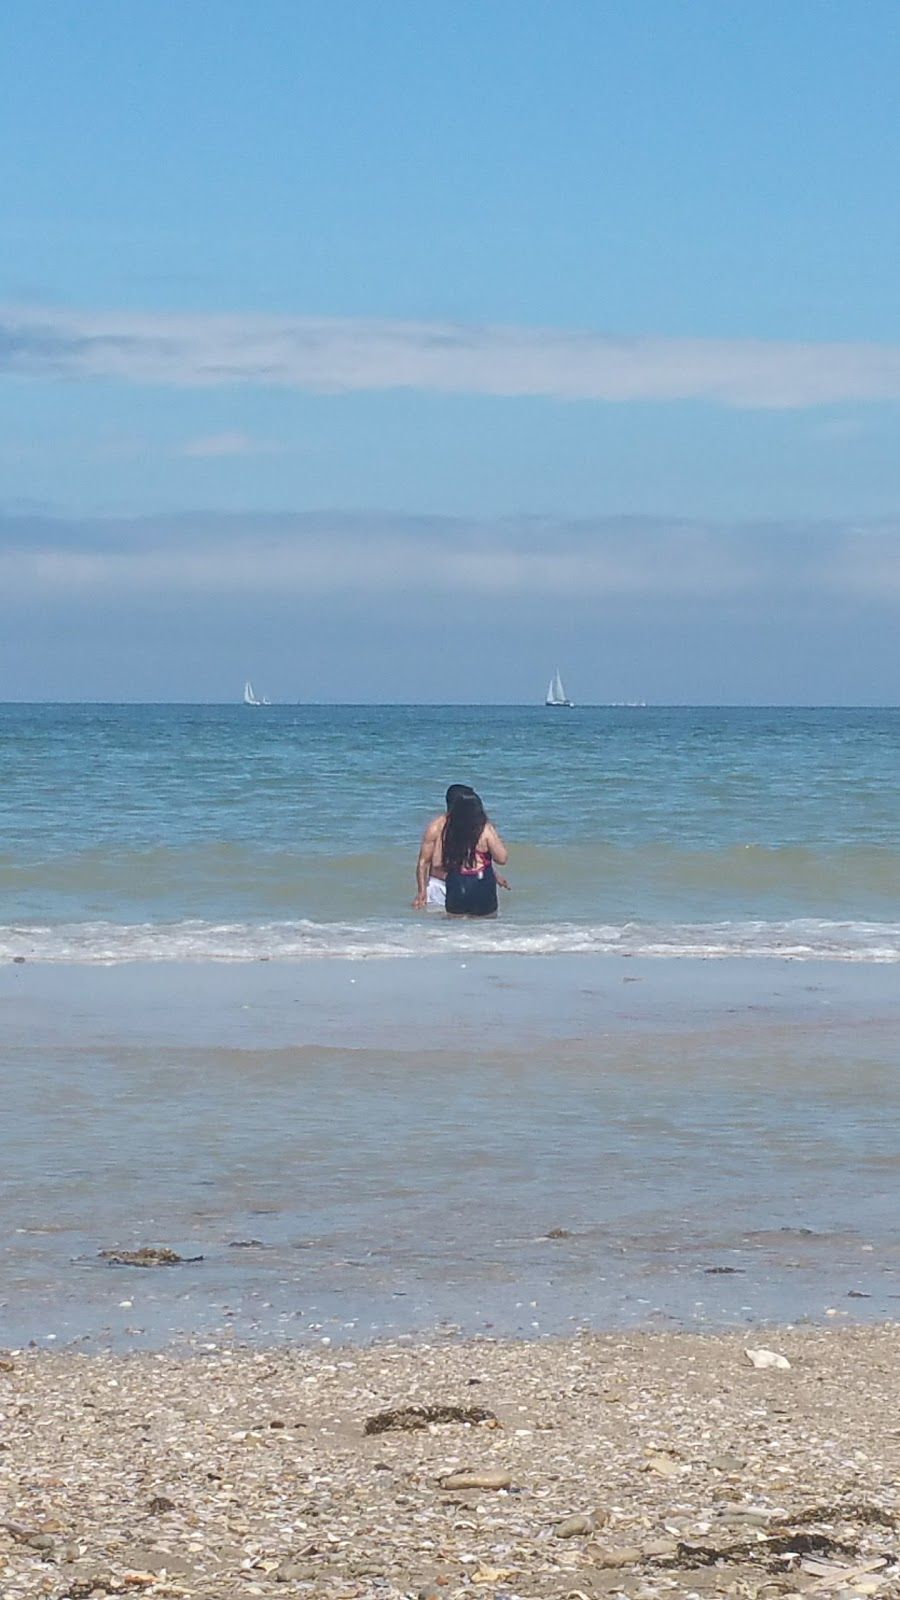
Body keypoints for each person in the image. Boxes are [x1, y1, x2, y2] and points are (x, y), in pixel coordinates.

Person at [435, 791, 509, 917]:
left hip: (456, 882)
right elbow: (502, 858)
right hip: (481, 883)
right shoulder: (485, 829)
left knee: (454, 925)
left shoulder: (447, 830)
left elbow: (437, 862)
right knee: (485, 925)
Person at [413, 784, 476, 910]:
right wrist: (422, 891)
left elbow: (478, 856)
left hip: (465, 884)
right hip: (439, 885)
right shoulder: (436, 827)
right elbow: (423, 862)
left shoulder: (472, 826)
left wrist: (494, 876)